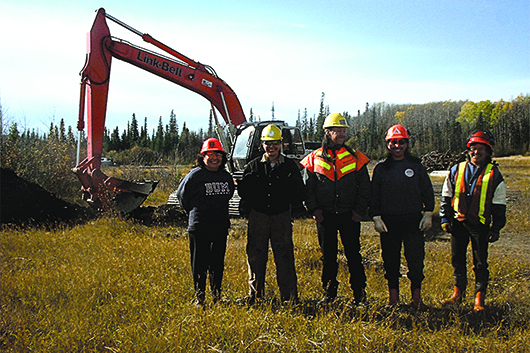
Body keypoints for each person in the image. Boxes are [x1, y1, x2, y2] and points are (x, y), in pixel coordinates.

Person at [300, 112, 371, 305]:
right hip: (325, 217)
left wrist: (359, 211)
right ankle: (329, 292)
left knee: (354, 255)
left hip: (349, 216)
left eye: (343, 131)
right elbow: (308, 189)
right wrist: (314, 210)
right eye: (337, 131)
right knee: (328, 257)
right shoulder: (314, 158)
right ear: (327, 132)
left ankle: (359, 293)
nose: (341, 134)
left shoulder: (355, 157)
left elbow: (365, 187)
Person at [237, 124, 305, 303]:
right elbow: (244, 191)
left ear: (281, 144)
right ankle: (255, 296)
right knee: (255, 257)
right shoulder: (252, 167)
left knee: (284, 257)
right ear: (262, 145)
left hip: (281, 217)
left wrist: (292, 207)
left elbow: (299, 191)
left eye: (275, 143)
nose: (271, 147)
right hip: (258, 217)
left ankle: (289, 298)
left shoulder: (290, 167)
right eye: (268, 143)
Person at [440, 130, 507, 312]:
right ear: (468, 150)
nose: (476, 152)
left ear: (488, 151)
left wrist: (496, 228)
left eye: (480, 149)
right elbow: (446, 196)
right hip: (458, 223)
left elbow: (499, 204)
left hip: (480, 226)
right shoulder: (456, 169)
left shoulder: (494, 174)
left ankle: (479, 298)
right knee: (457, 260)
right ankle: (458, 294)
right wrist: (445, 218)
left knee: (480, 262)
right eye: (473, 149)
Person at [369, 124, 435, 308]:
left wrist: (428, 213)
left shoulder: (416, 167)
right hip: (389, 223)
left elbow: (427, 191)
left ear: (407, 143)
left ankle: (416, 299)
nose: (397, 146)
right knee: (391, 261)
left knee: (415, 260)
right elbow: (374, 195)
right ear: (387, 144)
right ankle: (393, 299)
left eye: (401, 142)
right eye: (393, 142)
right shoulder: (381, 169)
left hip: (413, 221)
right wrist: (376, 217)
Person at [176, 137, 235, 306]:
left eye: (218, 154)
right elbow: (182, 197)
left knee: (217, 263)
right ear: (202, 157)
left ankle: (217, 296)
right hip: (199, 227)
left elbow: (229, 194)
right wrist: (194, 213)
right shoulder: (194, 176)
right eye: (210, 154)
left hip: (220, 226)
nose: (214, 158)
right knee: (199, 263)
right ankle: (200, 298)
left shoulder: (226, 176)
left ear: (222, 157)